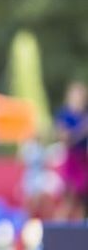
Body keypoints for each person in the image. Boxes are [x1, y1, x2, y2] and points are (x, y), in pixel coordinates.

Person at [55, 82, 88, 220]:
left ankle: (80, 229)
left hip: (84, 160)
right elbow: (64, 138)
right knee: (69, 199)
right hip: (72, 159)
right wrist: (82, 130)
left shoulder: (84, 115)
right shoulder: (64, 115)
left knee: (82, 201)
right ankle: (58, 227)